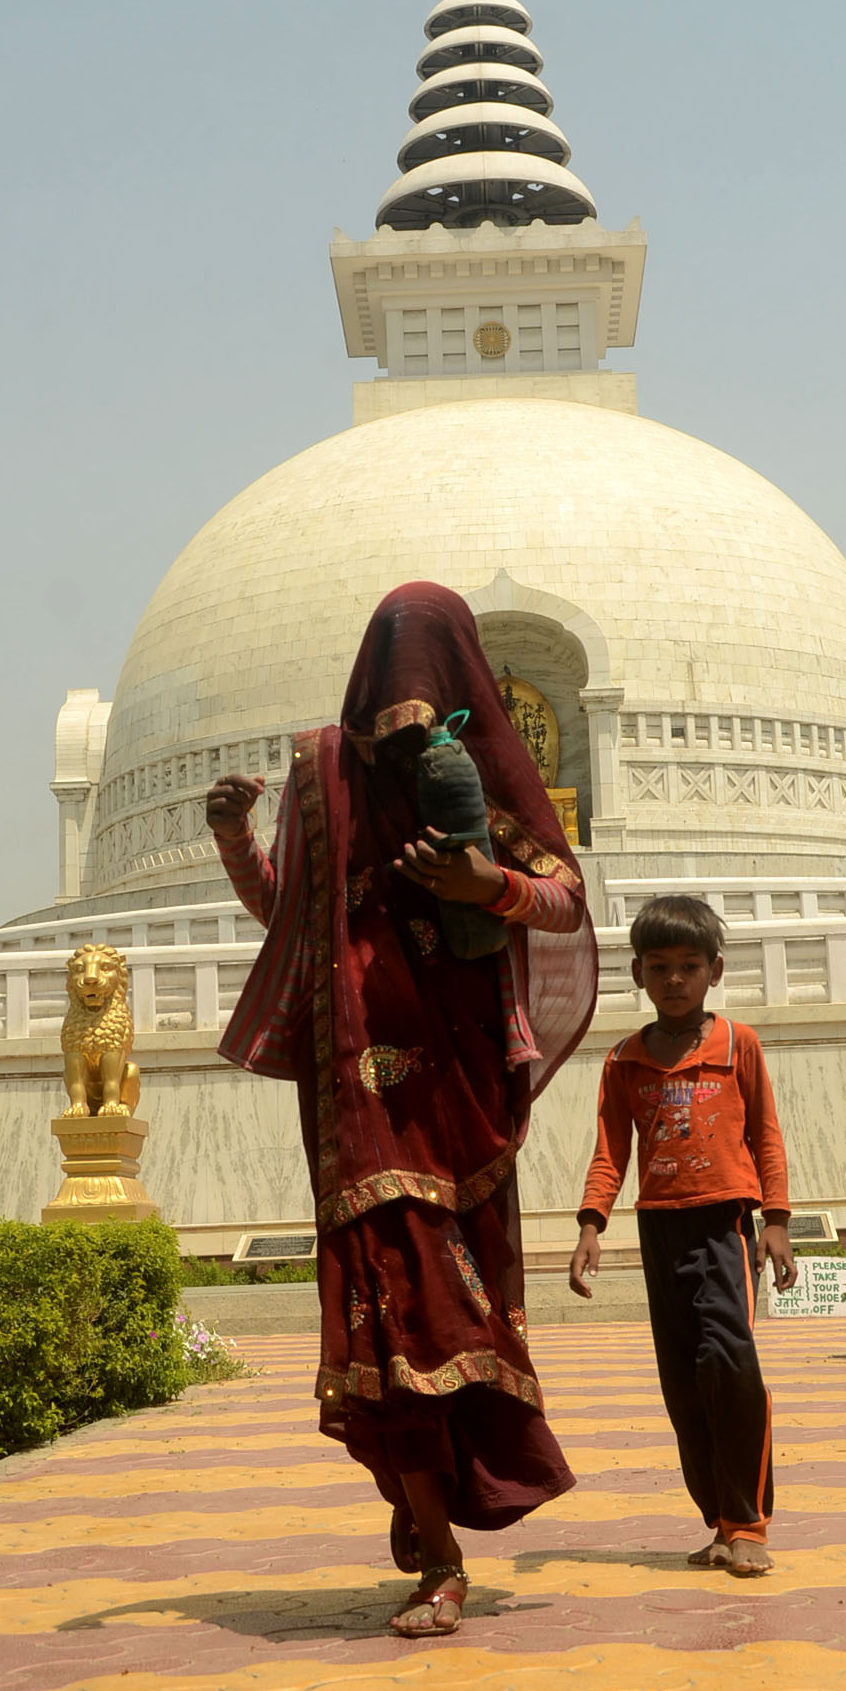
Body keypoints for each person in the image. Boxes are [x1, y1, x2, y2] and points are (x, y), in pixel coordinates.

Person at [206, 582, 598, 1636]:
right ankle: (437, 1557)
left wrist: (485, 889)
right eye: (391, 685)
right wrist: (236, 837)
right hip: (356, 1091)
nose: (406, 713)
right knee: (387, 1304)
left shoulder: (478, 774)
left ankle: (429, 1501)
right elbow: (292, 914)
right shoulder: (323, 771)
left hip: (458, 1091)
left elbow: (564, 898)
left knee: (453, 1311)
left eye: (426, 686)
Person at [569, 894, 797, 1577]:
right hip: (658, 1227)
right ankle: (720, 1520)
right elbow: (611, 1152)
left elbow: (766, 1136)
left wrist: (777, 1222)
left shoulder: (738, 1046)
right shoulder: (624, 1060)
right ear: (637, 972)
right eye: (660, 966)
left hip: (724, 1221)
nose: (675, 979)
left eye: (689, 966)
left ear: (714, 970)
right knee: (684, 1381)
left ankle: (750, 1521)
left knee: (729, 1364)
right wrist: (590, 1225)